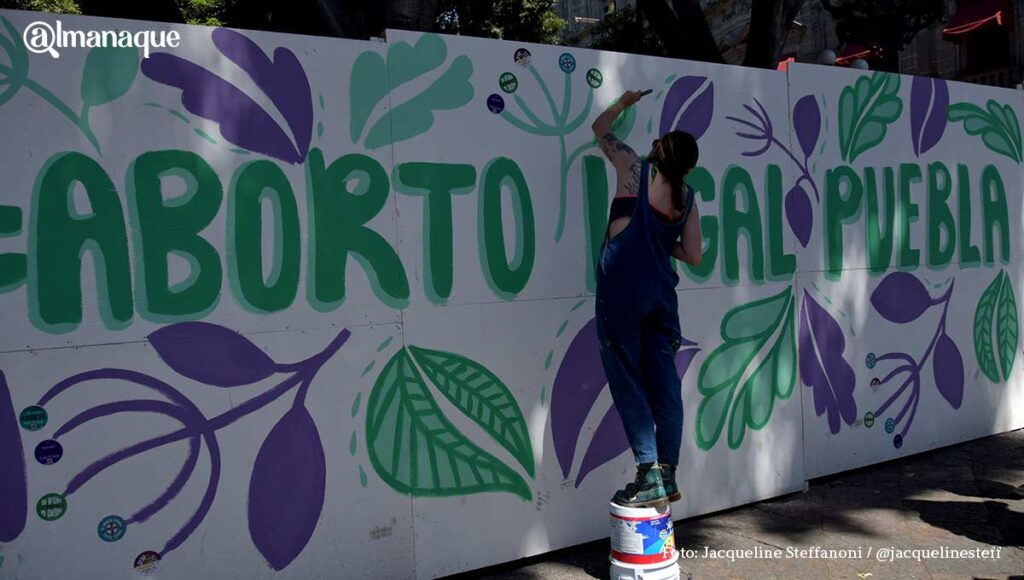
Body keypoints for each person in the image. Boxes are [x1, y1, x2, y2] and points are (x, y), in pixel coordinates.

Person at [592, 89, 703, 509]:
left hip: (621, 294)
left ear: (659, 150)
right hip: (661, 298)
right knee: (664, 385)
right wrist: (662, 241)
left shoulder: (631, 169)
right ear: (688, 166)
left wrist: (623, 102)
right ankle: (668, 471)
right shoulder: (688, 199)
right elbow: (693, 255)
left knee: (627, 377)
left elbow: (600, 129)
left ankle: (649, 472)